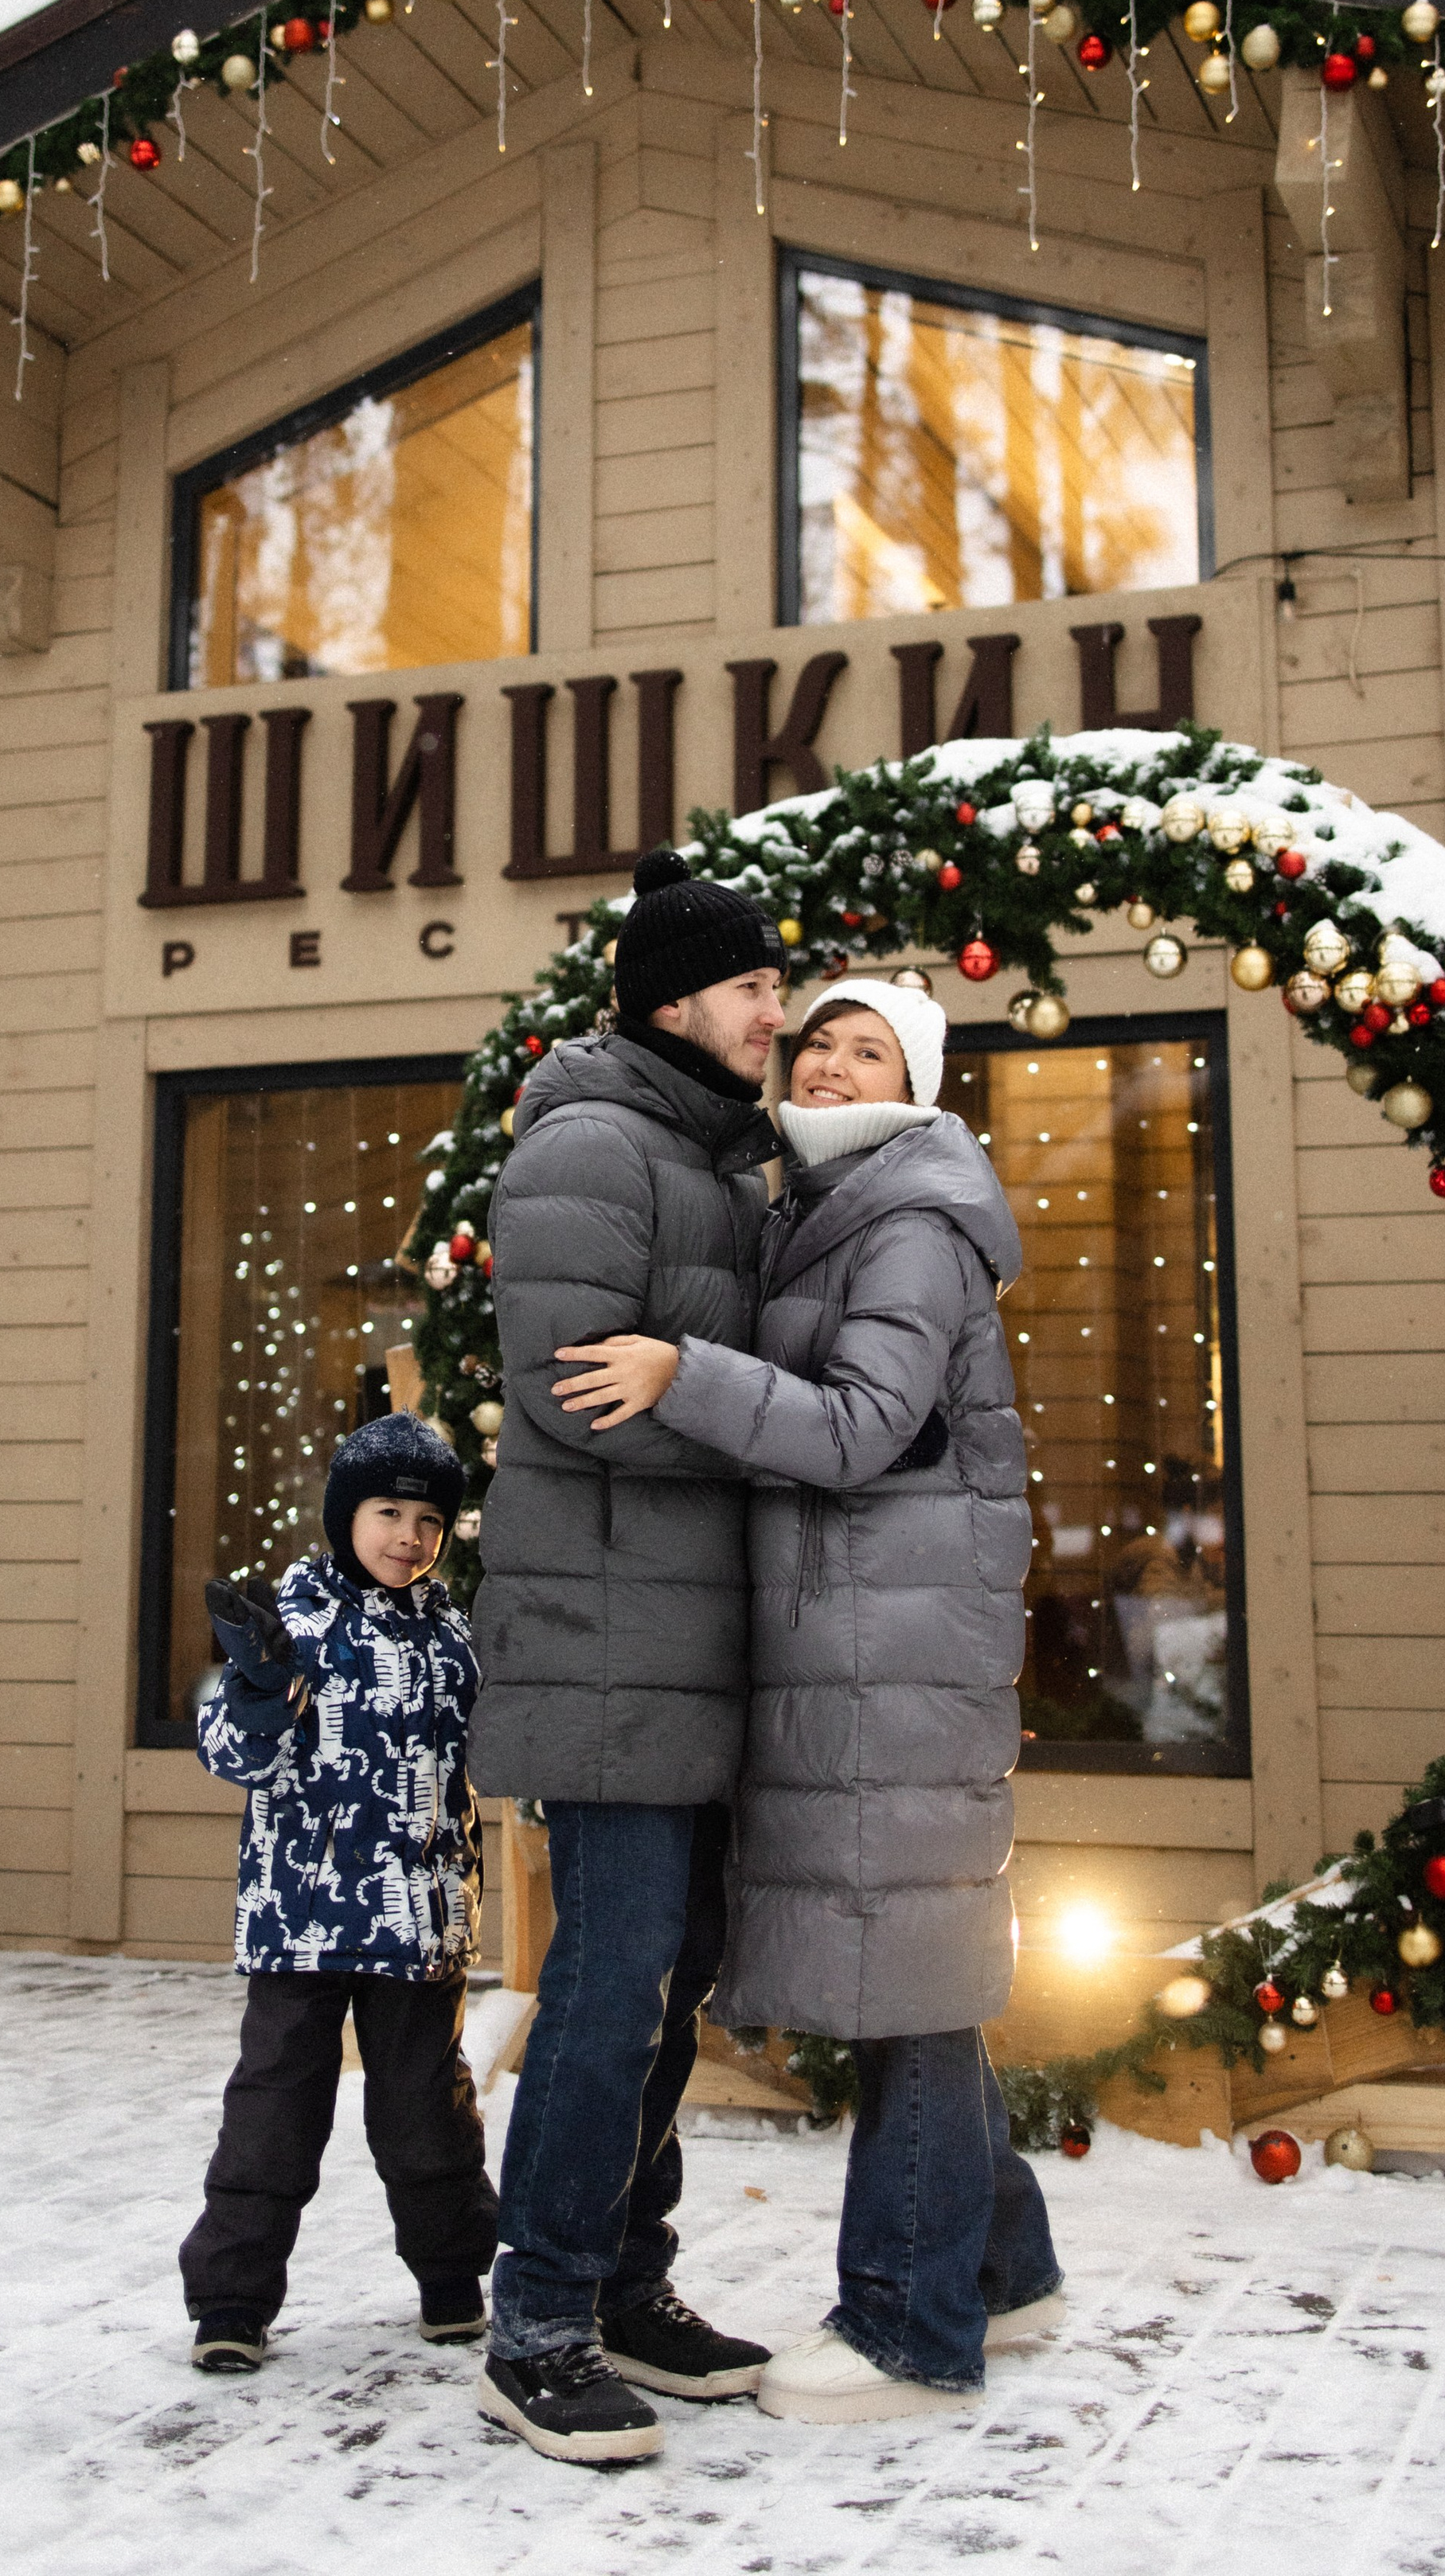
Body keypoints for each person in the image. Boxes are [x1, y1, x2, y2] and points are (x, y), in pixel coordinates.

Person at [555, 977, 1062, 2424]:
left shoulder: (907, 1216)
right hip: (866, 1628)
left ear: (922, 1079)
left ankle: (912, 2328)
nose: (833, 1064)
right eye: (822, 1040)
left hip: (894, 1641)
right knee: (912, 1950)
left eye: (872, 1048)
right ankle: (1007, 2269)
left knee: (902, 1968)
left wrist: (681, 1373)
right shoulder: (828, 1201)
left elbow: (858, 1426)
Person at [471, 845, 787, 2465]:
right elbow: (570, 1389)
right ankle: (532, 2317)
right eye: (751, 985)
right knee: (606, 1988)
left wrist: (720, 1395)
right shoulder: (594, 1143)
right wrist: (760, 1427)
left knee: (666, 1997)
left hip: (687, 1646)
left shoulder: (721, 1158)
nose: (774, 1013)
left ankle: (622, 2281)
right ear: (674, 997)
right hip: (604, 1646)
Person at [178, 1411, 498, 2373]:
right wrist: (259, 1687)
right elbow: (232, 1756)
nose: (408, 1536)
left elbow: (490, 1748)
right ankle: (232, 2301)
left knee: (426, 2115)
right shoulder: (292, 1622)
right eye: (388, 1512)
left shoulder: (454, 1636)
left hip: (418, 1923)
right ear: (343, 1516)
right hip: (301, 1921)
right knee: (273, 2112)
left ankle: (451, 2279)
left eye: (428, 1523)